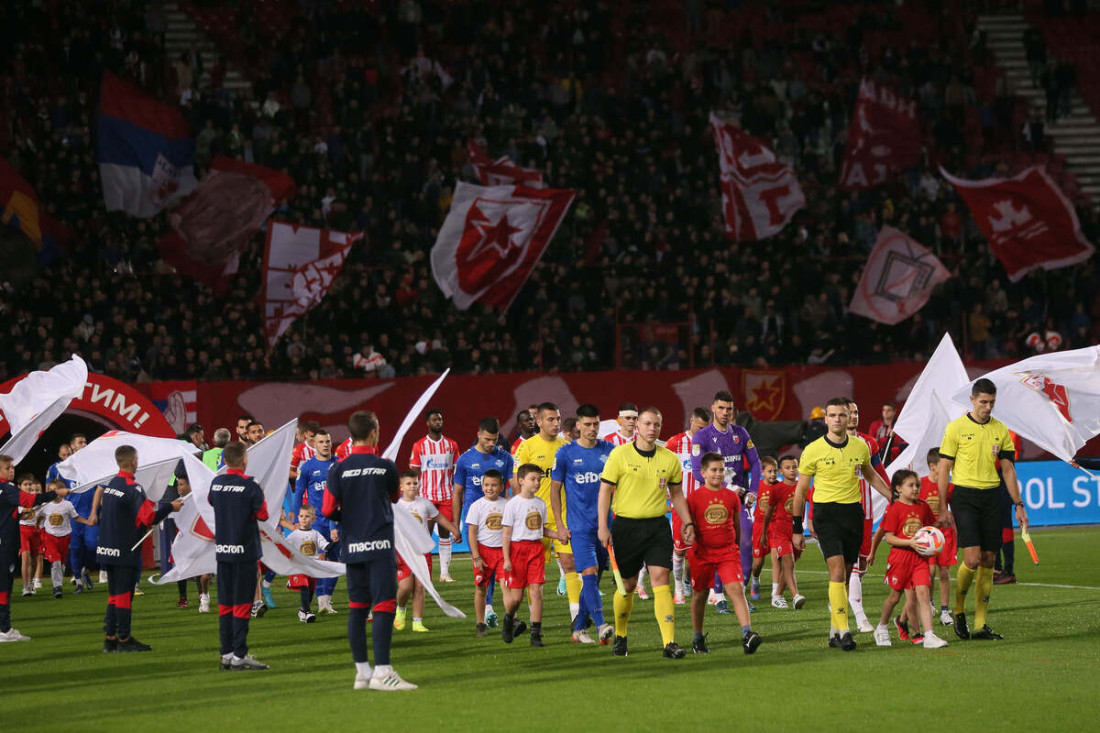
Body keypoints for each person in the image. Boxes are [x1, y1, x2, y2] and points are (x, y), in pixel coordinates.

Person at [324, 410, 417, 691]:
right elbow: (393, 498)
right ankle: (384, 672)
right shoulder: (385, 466)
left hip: (353, 546)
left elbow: (328, 509)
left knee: (356, 608)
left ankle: (363, 673)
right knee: (385, 606)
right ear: (374, 432)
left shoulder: (337, 469)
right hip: (379, 545)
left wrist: (349, 518)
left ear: (351, 435)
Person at [792, 398, 891, 651]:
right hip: (827, 514)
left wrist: (893, 496)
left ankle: (834, 630)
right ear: (825, 419)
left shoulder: (860, 447)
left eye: (841, 415)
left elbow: (869, 473)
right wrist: (797, 527)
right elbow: (801, 491)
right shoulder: (812, 450)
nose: (837, 419)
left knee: (847, 576)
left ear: (848, 419)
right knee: (836, 572)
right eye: (832, 415)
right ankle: (846, 630)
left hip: (853, 514)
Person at [599, 407, 695, 659]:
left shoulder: (669, 459)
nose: (652, 428)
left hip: (657, 526)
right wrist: (603, 526)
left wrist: (688, 522)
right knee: (628, 586)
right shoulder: (619, 455)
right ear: (637, 427)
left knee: (661, 579)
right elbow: (605, 492)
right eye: (648, 424)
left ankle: (669, 643)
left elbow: (677, 494)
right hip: (626, 527)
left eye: (657, 425)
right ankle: (620, 635)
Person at [937, 378, 1028, 641]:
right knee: (973, 559)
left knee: (989, 560)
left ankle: (979, 625)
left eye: (992, 402)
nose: (988, 407)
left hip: (992, 497)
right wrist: (944, 506)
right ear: (973, 400)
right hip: (964, 496)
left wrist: (1018, 505)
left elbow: (1009, 469)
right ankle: (958, 610)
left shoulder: (1001, 430)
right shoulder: (955, 428)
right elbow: (944, 468)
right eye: (983, 402)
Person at [96, 445, 185, 653]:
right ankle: (125, 640)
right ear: (134, 462)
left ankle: (110, 639)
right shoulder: (132, 487)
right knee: (125, 595)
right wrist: (171, 507)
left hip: (107, 547)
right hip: (125, 548)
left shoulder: (111, 484)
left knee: (114, 595)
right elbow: (149, 518)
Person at [550, 403, 616, 644]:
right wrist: (559, 525)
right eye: (587, 424)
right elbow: (555, 491)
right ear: (577, 425)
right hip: (578, 527)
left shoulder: (610, 450)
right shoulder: (565, 454)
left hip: (604, 526)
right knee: (589, 573)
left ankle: (578, 629)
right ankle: (600, 625)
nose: (592, 428)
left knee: (594, 580)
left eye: (595, 424)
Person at [691, 391, 761, 613]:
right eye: (721, 408)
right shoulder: (701, 437)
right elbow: (697, 472)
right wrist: (726, 487)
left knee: (746, 546)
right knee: (717, 548)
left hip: (738, 501)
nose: (725, 412)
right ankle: (719, 595)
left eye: (729, 409)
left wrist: (753, 491)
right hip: (713, 501)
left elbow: (756, 464)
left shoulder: (740, 433)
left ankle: (739, 591)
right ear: (713, 408)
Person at [688, 451, 762, 655]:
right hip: (702, 554)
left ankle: (747, 634)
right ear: (703, 472)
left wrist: (734, 548)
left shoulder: (731, 496)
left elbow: (736, 526)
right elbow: (689, 527)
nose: (719, 474)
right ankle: (697, 639)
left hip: (727, 552)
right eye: (714, 470)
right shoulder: (693, 498)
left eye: (721, 470)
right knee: (700, 595)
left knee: (737, 590)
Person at [209, 441, 269, 669]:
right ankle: (239, 656)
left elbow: (211, 502)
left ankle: (226, 654)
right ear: (245, 460)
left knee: (225, 604)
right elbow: (263, 515)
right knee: (243, 604)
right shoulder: (251, 486)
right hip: (245, 551)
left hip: (223, 551)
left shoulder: (216, 483)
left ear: (224, 460)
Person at [872, 470, 949, 649]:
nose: (915, 489)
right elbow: (889, 537)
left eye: (917, 485)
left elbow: (930, 527)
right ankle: (882, 627)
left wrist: (936, 533)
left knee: (923, 595)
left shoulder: (923, 507)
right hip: (900, 559)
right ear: (898, 488)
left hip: (920, 558)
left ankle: (929, 635)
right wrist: (910, 542)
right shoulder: (894, 508)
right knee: (894, 598)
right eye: (910, 485)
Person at [1, 455, 70, 641]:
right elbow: (30, 501)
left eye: (12, 467)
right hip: (5, 545)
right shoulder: (6, 489)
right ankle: (4, 630)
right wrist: (56, 493)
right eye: (8, 468)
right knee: (4, 587)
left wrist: (15, 516)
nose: (12, 470)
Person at [452, 417, 514, 626]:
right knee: (484, 566)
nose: (491, 444)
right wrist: (455, 524)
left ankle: (497, 611)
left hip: (500, 520)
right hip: (475, 521)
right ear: (478, 434)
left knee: (502, 568)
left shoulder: (505, 457)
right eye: (487, 439)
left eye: (495, 439)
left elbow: (513, 487)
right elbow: (457, 492)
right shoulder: (465, 459)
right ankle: (487, 610)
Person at [513, 403, 572, 609]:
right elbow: (516, 481)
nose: (556, 423)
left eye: (558, 419)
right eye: (551, 419)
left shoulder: (566, 446)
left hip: (561, 516)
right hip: (534, 518)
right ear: (538, 422)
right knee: (534, 578)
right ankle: (534, 619)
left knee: (569, 565)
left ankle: (577, 617)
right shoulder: (526, 447)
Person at [393, 470, 461, 633]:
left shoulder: (425, 503)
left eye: (415, 483)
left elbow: (440, 518)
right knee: (405, 587)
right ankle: (400, 609)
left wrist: (454, 530)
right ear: (401, 487)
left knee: (420, 587)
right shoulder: (396, 507)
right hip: (404, 551)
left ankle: (417, 622)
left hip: (423, 551)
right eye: (408, 484)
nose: (412, 486)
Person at [501, 463, 560, 647]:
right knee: (516, 598)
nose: (537, 483)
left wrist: (558, 535)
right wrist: (507, 558)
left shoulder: (540, 504)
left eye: (539, 480)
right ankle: (509, 618)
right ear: (521, 481)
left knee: (536, 591)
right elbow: (506, 534)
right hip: (517, 550)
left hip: (535, 549)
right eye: (533, 479)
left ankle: (535, 634)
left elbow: (541, 529)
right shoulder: (513, 504)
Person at [845, 399, 888, 633]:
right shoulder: (832, 443)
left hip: (866, 511)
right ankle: (861, 617)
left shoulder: (869, 443)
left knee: (862, 564)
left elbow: (879, 474)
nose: (853, 416)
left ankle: (842, 598)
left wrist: (893, 496)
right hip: (843, 511)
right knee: (851, 565)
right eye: (849, 412)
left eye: (856, 412)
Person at [664, 406, 710, 604]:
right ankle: (679, 588)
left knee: (706, 547)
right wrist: (663, 491)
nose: (702, 432)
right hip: (681, 503)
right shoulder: (675, 443)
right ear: (691, 421)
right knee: (680, 549)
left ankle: (709, 589)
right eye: (699, 427)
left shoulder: (709, 443)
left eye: (705, 428)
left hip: (703, 503)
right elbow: (662, 466)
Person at [409, 408, 459, 582]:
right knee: (425, 534)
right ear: (427, 423)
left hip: (446, 495)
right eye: (434, 420)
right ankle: (423, 571)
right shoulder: (419, 445)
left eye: (440, 419)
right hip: (425, 496)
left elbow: (456, 472)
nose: (438, 422)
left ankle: (444, 572)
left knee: (445, 533)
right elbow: (413, 473)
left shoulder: (452, 445)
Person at [293, 430, 339, 613]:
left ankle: (326, 599)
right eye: (321, 442)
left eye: (328, 441)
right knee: (319, 559)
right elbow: (298, 493)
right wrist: (298, 518)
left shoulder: (338, 465)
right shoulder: (307, 467)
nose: (326, 444)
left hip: (336, 521)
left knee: (336, 560)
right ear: (315, 445)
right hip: (317, 522)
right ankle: (321, 601)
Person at [47, 436, 95, 593]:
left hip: (91, 513)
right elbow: (55, 489)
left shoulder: (93, 464)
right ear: (72, 446)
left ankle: (86, 568)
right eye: (80, 442)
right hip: (73, 514)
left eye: (85, 442)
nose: (84, 444)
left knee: (92, 545)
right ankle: (79, 581)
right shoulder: (64, 468)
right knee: (75, 548)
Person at [466, 470, 509, 636]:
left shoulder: (507, 505)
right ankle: (480, 622)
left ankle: (511, 619)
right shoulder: (476, 506)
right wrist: (476, 556)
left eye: (494, 485)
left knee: (506, 586)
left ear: (501, 487)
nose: (490, 488)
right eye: (487, 485)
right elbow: (471, 533)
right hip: (483, 552)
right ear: (482, 486)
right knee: (481, 588)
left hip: (502, 551)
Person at [761, 455, 805, 610]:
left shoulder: (802, 486)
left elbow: (813, 503)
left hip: (797, 532)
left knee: (789, 566)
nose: (792, 470)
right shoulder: (777, 489)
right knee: (789, 562)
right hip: (780, 531)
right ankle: (795, 595)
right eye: (788, 467)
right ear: (781, 471)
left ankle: (777, 596)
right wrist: (763, 534)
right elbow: (768, 513)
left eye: (794, 467)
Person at [919, 448, 957, 626]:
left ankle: (944, 610)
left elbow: (954, 510)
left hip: (945, 533)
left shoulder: (950, 486)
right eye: (943, 465)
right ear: (932, 466)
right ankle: (930, 603)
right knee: (930, 572)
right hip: (927, 535)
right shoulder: (920, 484)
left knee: (944, 572)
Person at [37, 479, 89, 598]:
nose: (52, 493)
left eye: (55, 490)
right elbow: (40, 516)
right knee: (55, 561)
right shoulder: (45, 505)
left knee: (61, 562)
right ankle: (57, 586)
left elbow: (75, 517)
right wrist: (38, 526)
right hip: (50, 536)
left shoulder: (67, 505)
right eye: (50, 490)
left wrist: (87, 521)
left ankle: (58, 583)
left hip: (64, 536)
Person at [285, 505, 330, 623]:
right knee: (304, 586)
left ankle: (303, 611)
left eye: (307, 516)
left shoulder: (315, 534)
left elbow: (324, 545)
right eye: (301, 516)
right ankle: (308, 611)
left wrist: (331, 548)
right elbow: (285, 546)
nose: (303, 519)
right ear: (298, 518)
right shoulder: (294, 534)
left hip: (312, 566)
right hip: (299, 566)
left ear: (313, 519)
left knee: (310, 590)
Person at [749, 457, 778, 602]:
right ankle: (755, 580)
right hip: (760, 526)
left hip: (776, 526)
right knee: (757, 563)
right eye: (770, 471)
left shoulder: (780, 486)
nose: (773, 474)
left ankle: (776, 592)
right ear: (762, 473)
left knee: (776, 559)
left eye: (775, 471)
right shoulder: (757, 487)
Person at [17, 474, 43, 596]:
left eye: (30, 484)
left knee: (33, 561)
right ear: (19, 487)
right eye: (25, 485)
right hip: (23, 531)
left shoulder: (36, 500)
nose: (28, 487)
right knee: (25, 559)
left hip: (35, 532)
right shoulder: (16, 500)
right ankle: (25, 587)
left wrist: (38, 522)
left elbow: (43, 514)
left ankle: (31, 582)